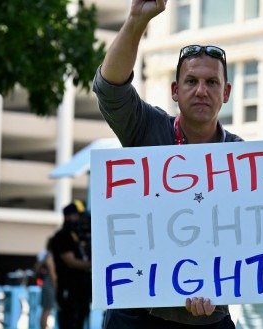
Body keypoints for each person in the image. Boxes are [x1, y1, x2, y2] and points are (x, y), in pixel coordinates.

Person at [92, 1, 240, 327]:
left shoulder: (242, 160)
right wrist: (136, 20)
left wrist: (215, 288)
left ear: (226, 92)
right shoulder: (147, 127)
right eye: (191, 81)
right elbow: (109, 89)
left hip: (208, 317)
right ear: (175, 90)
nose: (201, 90)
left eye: (212, 82)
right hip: (136, 313)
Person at [49, 201, 92, 329]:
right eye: (76, 216)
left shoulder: (79, 235)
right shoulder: (62, 236)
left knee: (81, 319)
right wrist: (91, 265)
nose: (79, 219)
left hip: (82, 288)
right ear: (68, 216)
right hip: (68, 287)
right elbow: (70, 261)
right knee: (69, 321)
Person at [35, 238, 57, 329]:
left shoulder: (44, 255)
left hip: (46, 284)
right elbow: (52, 272)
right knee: (47, 310)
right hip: (49, 285)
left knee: (45, 310)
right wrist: (56, 284)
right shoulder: (50, 256)